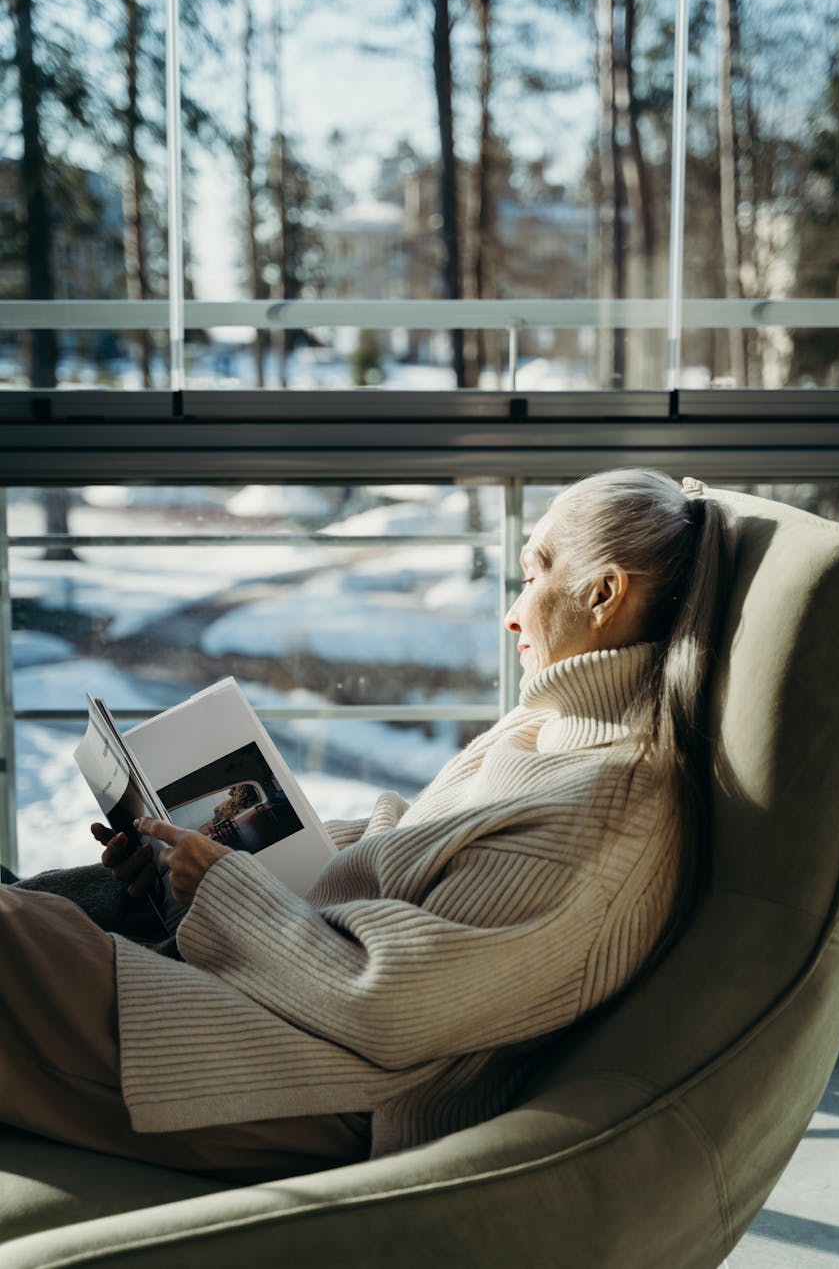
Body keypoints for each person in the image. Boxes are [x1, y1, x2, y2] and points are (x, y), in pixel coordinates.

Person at [0, 468, 733, 1180]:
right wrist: (207, 859)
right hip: (283, 1001)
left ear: (603, 593)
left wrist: (224, 886)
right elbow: (418, 853)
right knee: (60, 898)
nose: (512, 610)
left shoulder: (608, 806)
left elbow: (393, 1007)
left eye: (533, 573)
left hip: (326, 1084)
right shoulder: (551, 729)